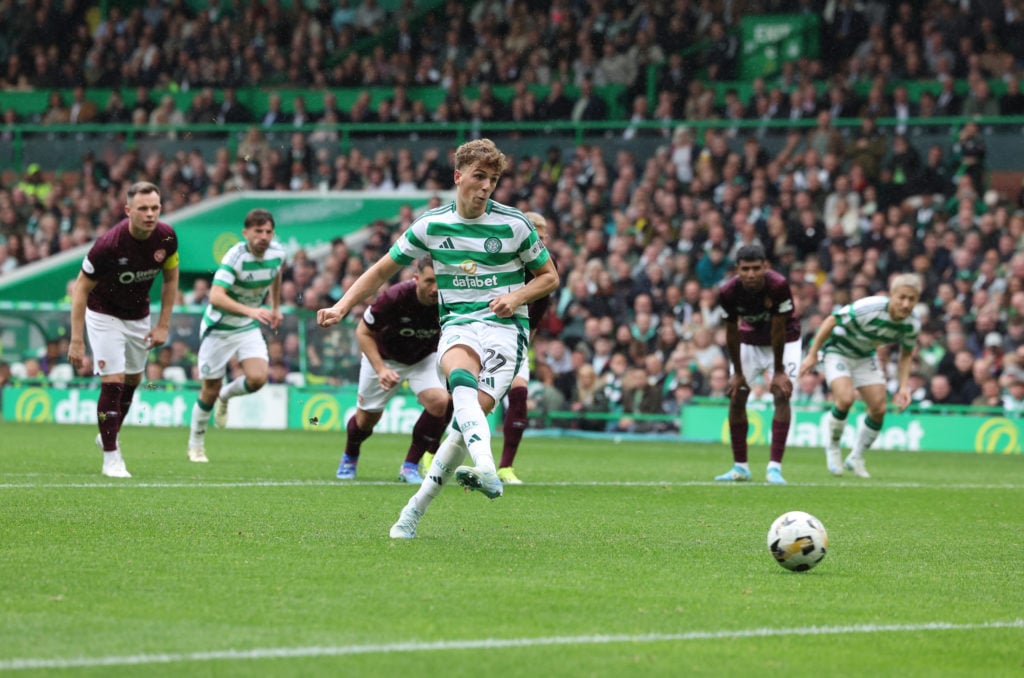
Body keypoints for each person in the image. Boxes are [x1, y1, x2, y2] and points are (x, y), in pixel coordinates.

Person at [316, 138, 558, 539]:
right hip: (459, 325)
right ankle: (486, 468)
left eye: (493, 180)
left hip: (504, 333)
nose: (485, 187)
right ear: (459, 176)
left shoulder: (514, 225)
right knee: (459, 386)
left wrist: (515, 296)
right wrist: (342, 306)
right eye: (479, 177)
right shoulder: (431, 225)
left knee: (465, 424)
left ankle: (412, 511)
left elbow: (550, 277)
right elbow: (380, 271)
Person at [67, 181, 179, 478]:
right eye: (143, 208)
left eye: (155, 208)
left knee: (133, 380)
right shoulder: (108, 245)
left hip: (138, 317)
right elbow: (80, 289)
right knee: (113, 382)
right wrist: (76, 340)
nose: (150, 214)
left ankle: (108, 431)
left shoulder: (167, 237)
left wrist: (163, 324)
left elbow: (171, 279)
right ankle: (111, 456)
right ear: (128, 210)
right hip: (103, 315)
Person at [334, 256, 451, 484]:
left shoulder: (449, 300)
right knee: (365, 420)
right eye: (429, 281)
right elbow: (363, 332)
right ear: (416, 278)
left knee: (439, 402)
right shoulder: (393, 297)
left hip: (424, 358)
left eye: (440, 281)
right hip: (384, 358)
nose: (435, 288)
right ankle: (350, 454)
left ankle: (410, 466)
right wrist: (380, 369)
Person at [799, 273, 923, 478]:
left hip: (865, 357)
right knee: (845, 399)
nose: (906, 303)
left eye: (912, 299)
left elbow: (906, 354)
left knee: (879, 409)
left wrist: (903, 386)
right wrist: (812, 354)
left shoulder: (912, 324)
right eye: (902, 297)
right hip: (838, 352)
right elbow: (831, 321)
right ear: (892, 295)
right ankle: (833, 447)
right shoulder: (870, 307)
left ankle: (856, 457)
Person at [186, 209, 285, 463]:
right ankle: (196, 444)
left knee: (258, 378)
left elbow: (276, 274)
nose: (263, 236)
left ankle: (226, 396)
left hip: (246, 327)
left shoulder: (278, 253)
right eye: (258, 231)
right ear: (246, 233)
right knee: (209, 389)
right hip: (218, 328)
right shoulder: (235, 257)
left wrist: (275, 306)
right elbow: (216, 296)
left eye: (268, 232)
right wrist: (252, 310)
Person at [715, 244, 799, 485]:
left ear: (765, 267)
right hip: (749, 341)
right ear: (737, 270)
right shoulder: (728, 292)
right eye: (745, 269)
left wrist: (779, 370)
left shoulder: (778, 286)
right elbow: (731, 332)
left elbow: (778, 328)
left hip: (786, 339)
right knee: (737, 395)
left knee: (780, 393)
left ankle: (774, 468)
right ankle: (740, 467)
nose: (751, 274)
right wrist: (738, 373)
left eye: (756, 268)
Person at [494, 210, 554, 485]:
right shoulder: (503, 264)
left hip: (515, 341)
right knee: (465, 400)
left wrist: (519, 349)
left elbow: (534, 324)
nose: (539, 244)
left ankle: (505, 467)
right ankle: (432, 453)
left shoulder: (546, 277)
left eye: (543, 239)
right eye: (535, 238)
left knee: (519, 397)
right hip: (483, 335)